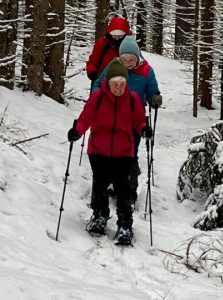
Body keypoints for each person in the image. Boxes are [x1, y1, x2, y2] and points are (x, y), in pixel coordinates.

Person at [67, 59, 152, 245]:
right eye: (115, 83)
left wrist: (144, 129)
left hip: (123, 151)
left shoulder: (133, 99)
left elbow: (139, 121)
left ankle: (125, 225)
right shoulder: (97, 98)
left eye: (122, 84)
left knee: (123, 189)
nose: (119, 88)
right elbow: (85, 119)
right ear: (108, 82)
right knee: (100, 184)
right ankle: (99, 216)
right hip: (98, 149)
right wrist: (77, 132)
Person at [93, 36, 162, 204]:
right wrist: (97, 98)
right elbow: (99, 84)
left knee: (129, 154)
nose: (128, 63)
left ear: (138, 56)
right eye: (125, 59)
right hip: (112, 117)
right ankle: (110, 184)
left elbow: (153, 90)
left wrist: (155, 98)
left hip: (134, 119)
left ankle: (129, 191)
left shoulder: (146, 71)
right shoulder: (113, 67)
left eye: (132, 59)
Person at [86, 16, 131, 87]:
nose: (117, 39)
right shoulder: (102, 43)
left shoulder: (130, 45)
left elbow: (139, 62)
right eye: (114, 35)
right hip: (102, 82)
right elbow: (92, 62)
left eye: (120, 36)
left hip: (124, 83)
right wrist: (92, 72)